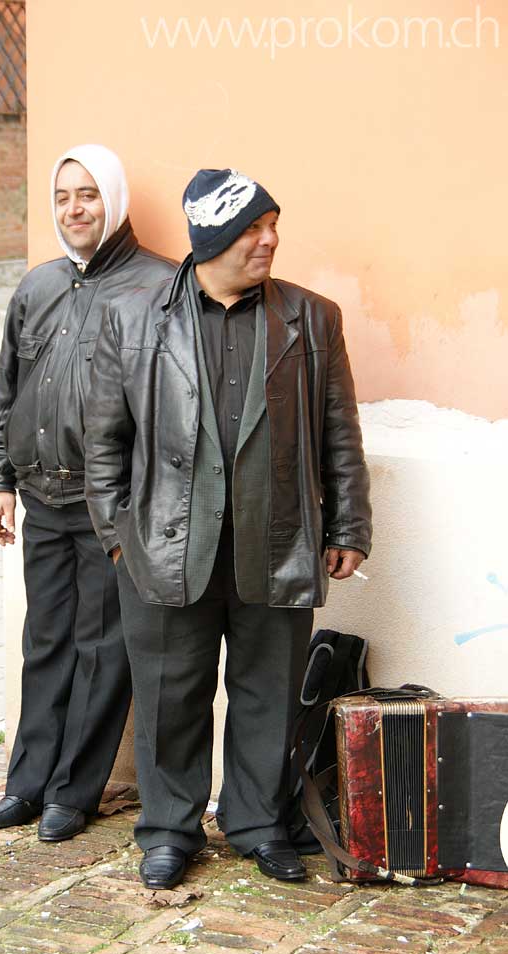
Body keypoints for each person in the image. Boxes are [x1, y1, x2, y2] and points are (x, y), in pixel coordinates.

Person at [84, 167, 372, 887]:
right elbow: (101, 442)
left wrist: (348, 524)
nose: (269, 240)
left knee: (268, 694)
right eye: (252, 228)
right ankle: (169, 832)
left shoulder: (313, 318)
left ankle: (256, 823)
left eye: (272, 225)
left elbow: (340, 432)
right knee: (167, 695)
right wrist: (120, 535)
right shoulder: (134, 316)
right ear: (211, 237)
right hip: (163, 547)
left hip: (276, 545)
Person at [0, 144, 175, 841]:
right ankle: (26, 784)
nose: (74, 208)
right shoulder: (37, 287)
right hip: (42, 499)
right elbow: (7, 390)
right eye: (62, 196)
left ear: (112, 199)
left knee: (102, 647)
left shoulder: (159, 286)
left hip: (113, 509)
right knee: (46, 640)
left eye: (87, 194)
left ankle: (73, 793)